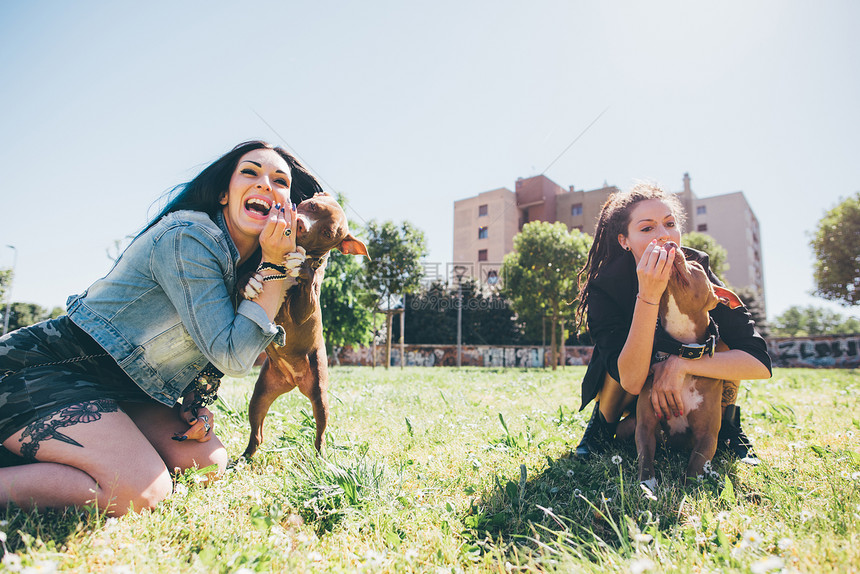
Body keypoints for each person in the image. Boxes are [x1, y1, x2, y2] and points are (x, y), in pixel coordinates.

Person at [0, 140, 322, 515]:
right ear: (223, 194)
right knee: (140, 492)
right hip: (38, 371)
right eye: (250, 173)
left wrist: (193, 403)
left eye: (280, 181)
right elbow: (233, 355)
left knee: (204, 463)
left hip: (122, 389)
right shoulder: (189, 238)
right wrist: (275, 266)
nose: (266, 185)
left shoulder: (249, 268)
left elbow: (205, 351)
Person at [573, 183, 771, 464]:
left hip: (690, 374)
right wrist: (649, 295)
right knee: (619, 356)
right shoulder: (606, 285)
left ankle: (726, 423)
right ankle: (603, 426)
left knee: (724, 341)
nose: (664, 236)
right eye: (647, 228)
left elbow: (759, 363)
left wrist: (681, 364)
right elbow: (631, 380)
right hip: (631, 382)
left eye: (670, 224)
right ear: (624, 240)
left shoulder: (695, 267)